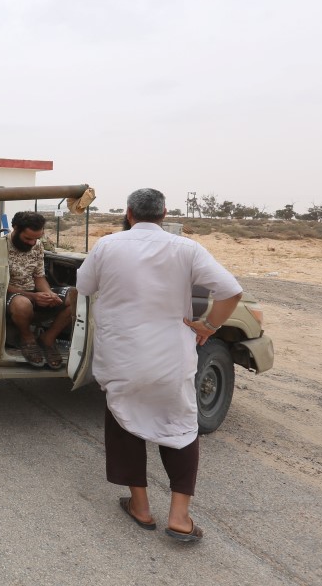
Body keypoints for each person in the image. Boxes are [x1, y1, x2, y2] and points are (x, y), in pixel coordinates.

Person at [76, 188, 242, 544]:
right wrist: (208, 326)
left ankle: (140, 506)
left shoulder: (107, 245)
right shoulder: (186, 249)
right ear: (164, 214)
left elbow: (84, 285)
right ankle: (179, 517)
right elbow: (231, 291)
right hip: (171, 355)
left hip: (121, 353)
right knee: (179, 424)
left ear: (129, 213)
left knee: (123, 419)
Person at [5, 211, 77, 370]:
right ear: (15, 228)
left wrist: (49, 294)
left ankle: (48, 339)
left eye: (36, 238)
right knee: (22, 304)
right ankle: (27, 338)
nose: (32, 243)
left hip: (33, 292)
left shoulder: (37, 245)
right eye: (28, 238)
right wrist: (33, 296)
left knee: (75, 296)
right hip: (8, 295)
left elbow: (39, 277)